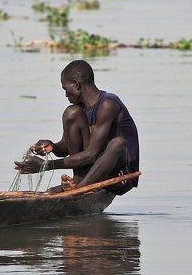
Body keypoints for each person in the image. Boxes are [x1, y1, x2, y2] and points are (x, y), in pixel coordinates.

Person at [14, 60, 139, 194]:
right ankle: (79, 182)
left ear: (76, 84)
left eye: (65, 89)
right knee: (71, 113)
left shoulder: (107, 104)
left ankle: (78, 189)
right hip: (93, 171)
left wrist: (46, 166)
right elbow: (64, 148)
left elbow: (91, 155)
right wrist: (51, 146)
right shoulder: (79, 109)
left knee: (117, 143)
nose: (66, 94)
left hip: (120, 175)